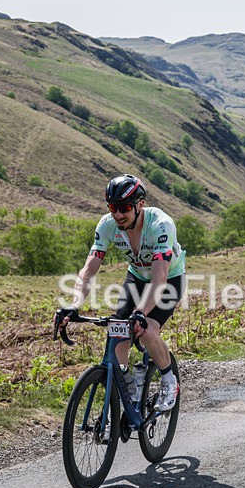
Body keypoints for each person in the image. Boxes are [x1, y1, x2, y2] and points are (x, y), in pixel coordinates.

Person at [56, 174, 187, 412]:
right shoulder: (107, 225)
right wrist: (74, 305)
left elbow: (159, 279)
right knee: (118, 331)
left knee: (146, 329)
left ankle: (169, 381)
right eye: (113, 208)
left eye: (125, 207)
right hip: (136, 278)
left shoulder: (161, 224)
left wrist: (139, 312)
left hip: (168, 280)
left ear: (140, 205)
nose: (118, 215)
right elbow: (89, 269)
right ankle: (127, 386)